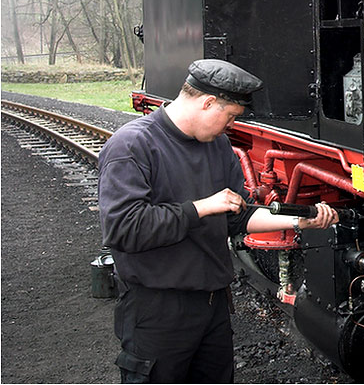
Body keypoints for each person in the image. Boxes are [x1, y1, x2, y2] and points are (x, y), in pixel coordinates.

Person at [98, 58, 338, 384]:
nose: (230, 127)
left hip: (212, 306)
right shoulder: (132, 145)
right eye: (230, 117)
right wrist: (200, 208)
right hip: (156, 311)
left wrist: (299, 223)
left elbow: (236, 218)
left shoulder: (218, 146)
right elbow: (124, 229)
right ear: (208, 102)